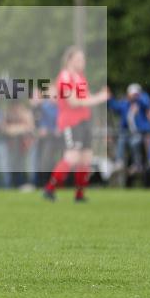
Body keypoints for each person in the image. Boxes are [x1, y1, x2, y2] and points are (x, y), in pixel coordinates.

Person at [43, 46, 109, 202]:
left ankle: (79, 195)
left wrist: (98, 96)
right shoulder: (65, 77)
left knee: (86, 158)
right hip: (71, 122)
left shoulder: (80, 77)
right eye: (79, 59)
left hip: (84, 121)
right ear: (70, 60)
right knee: (72, 157)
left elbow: (86, 97)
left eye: (83, 59)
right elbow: (72, 101)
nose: (82, 62)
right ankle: (49, 189)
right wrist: (100, 98)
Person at [107, 83, 150, 182]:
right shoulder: (125, 104)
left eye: (135, 94)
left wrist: (137, 99)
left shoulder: (142, 103)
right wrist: (109, 98)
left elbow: (146, 103)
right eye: (132, 94)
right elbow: (115, 106)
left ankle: (137, 164)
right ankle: (119, 161)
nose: (133, 96)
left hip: (140, 132)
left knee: (134, 143)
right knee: (122, 139)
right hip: (128, 132)